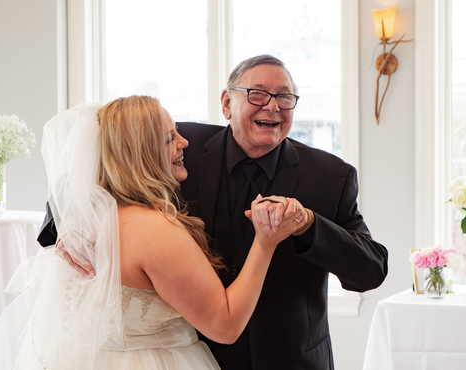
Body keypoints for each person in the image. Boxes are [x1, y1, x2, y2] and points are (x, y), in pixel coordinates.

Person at [38, 55, 389, 369]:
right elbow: (88, 171)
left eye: (285, 97)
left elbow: (371, 270)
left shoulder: (330, 176)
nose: (273, 106)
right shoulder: (177, 148)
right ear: (226, 103)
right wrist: (71, 221)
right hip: (196, 355)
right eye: (257, 94)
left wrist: (309, 225)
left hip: (293, 359)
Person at [0, 96, 303, 370]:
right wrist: (266, 241)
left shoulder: (100, 220)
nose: (184, 142)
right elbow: (225, 325)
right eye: (169, 138)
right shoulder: (155, 231)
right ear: (140, 152)